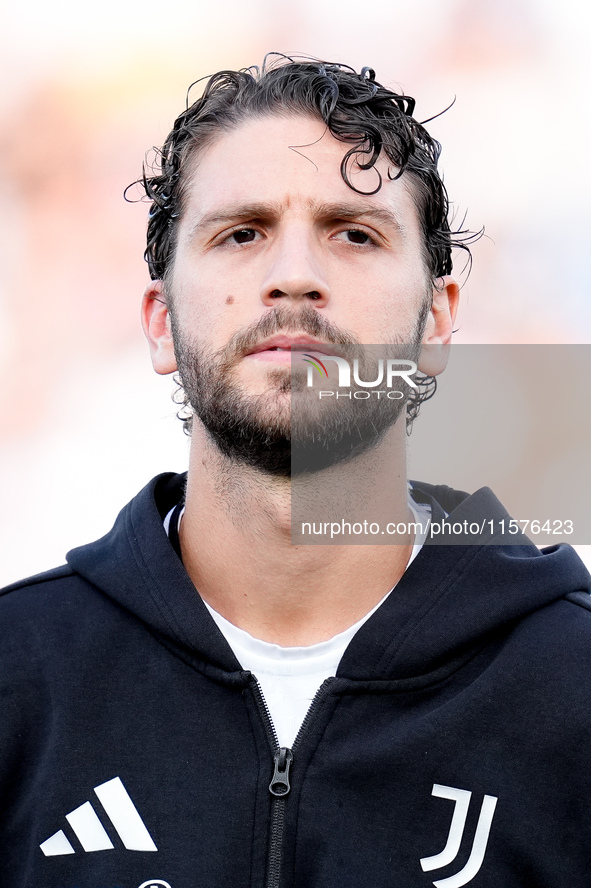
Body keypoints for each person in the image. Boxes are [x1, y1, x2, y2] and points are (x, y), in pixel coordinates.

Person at [2, 57, 591, 888]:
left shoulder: (571, 688)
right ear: (161, 323)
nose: (295, 276)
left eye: (354, 233)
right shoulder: (21, 681)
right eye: (241, 232)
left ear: (437, 321)